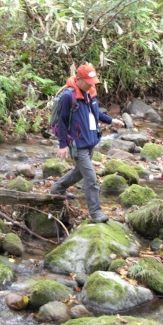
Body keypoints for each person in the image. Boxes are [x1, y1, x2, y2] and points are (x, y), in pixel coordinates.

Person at [49, 63, 125, 223]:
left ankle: (58, 188)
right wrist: (62, 145)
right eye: (88, 82)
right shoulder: (68, 96)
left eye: (93, 82)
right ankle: (95, 212)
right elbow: (62, 122)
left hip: (90, 140)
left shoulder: (90, 93)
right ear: (79, 79)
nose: (91, 85)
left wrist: (111, 121)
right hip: (77, 144)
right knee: (91, 177)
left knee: (79, 172)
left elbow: (96, 113)